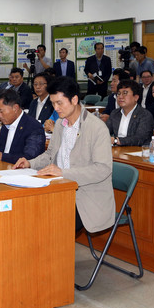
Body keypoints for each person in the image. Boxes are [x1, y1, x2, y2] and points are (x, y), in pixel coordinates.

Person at [14, 76, 115, 234]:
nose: (56, 108)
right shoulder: (61, 124)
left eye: (59, 103)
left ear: (74, 99)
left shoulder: (97, 128)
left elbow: (102, 169)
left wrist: (63, 173)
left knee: (48, 226)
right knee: (26, 213)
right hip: (60, 188)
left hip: (85, 196)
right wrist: (30, 163)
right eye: (53, 103)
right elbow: (50, 154)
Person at [0, 89, 45, 164]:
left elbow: (30, 158)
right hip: (3, 166)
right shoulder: (6, 123)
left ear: (15, 108)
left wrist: (2, 156)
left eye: (1, 111)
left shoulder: (34, 127)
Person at [106, 79, 154, 146]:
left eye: (125, 93)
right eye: (119, 93)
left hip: (138, 151)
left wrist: (117, 140)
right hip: (117, 150)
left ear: (136, 97)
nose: (120, 97)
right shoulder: (115, 113)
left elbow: (139, 139)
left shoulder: (145, 115)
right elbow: (105, 131)